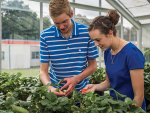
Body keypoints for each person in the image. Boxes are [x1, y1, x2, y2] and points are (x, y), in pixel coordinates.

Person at [83, 10, 146, 110]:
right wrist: (95, 87)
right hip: (115, 107)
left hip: (131, 108)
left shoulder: (132, 53)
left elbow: (139, 96)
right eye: (93, 40)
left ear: (110, 33)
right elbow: (109, 82)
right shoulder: (108, 52)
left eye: (98, 40)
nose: (95, 44)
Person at [40, 0, 99, 97]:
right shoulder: (45, 36)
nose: (61, 27)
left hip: (82, 93)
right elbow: (43, 71)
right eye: (57, 23)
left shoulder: (86, 33)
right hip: (58, 94)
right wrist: (50, 88)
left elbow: (93, 66)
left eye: (64, 21)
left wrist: (76, 79)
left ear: (71, 13)